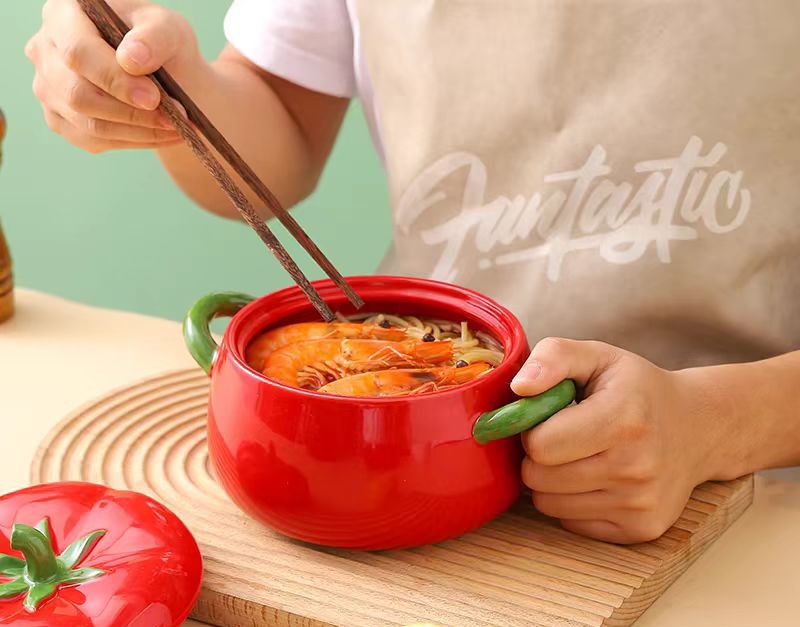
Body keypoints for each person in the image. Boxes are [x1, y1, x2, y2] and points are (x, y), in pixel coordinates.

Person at [26, 0, 800, 544]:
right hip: (425, 458)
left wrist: (719, 425)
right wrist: (165, 87)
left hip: (753, 493)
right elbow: (280, 127)